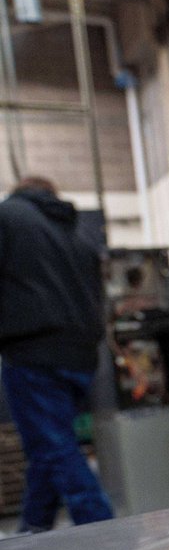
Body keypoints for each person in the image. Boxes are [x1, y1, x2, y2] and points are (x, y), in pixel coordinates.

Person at [0, 175, 114, 531]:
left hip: (34, 353)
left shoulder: (8, 217)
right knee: (47, 447)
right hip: (81, 357)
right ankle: (33, 531)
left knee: (56, 449)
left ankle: (105, 531)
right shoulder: (78, 233)